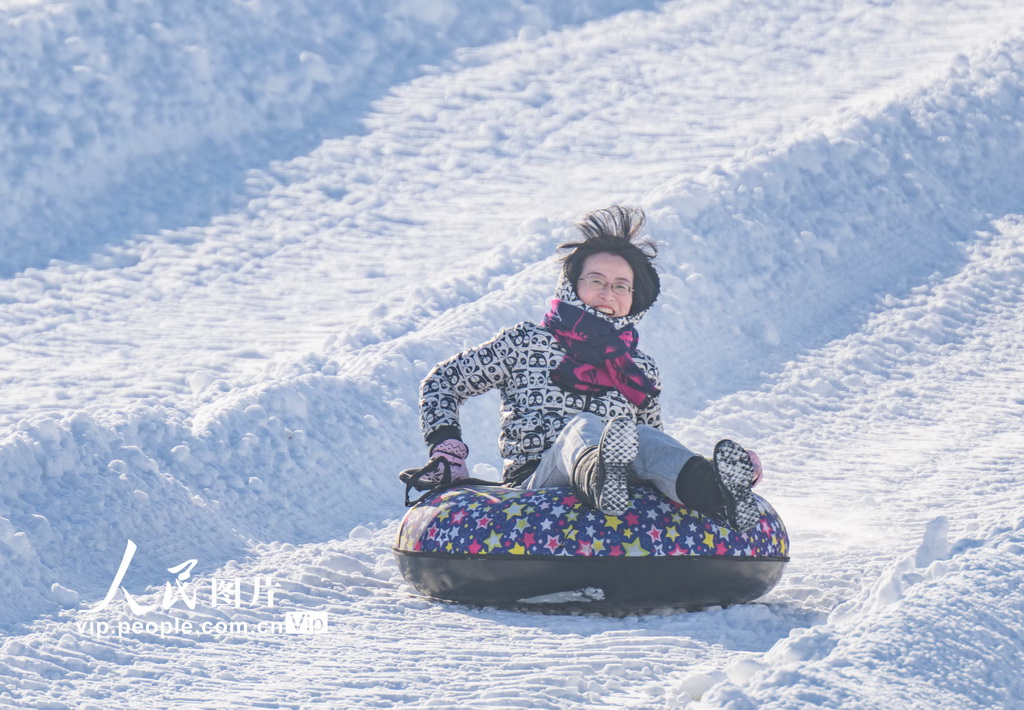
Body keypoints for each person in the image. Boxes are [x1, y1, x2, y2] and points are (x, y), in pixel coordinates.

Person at [411, 206, 763, 530]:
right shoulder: (527, 343)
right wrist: (447, 448)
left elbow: (650, 447)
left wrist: (698, 466)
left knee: (648, 437)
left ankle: (715, 490)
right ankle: (599, 473)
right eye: (596, 280)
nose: (608, 293)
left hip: (622, 495)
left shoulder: (639, 369)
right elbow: (444, 380)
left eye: (621, 286)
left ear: (633, 299)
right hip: (538, 487)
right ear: (572, 285)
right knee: (584, 427)